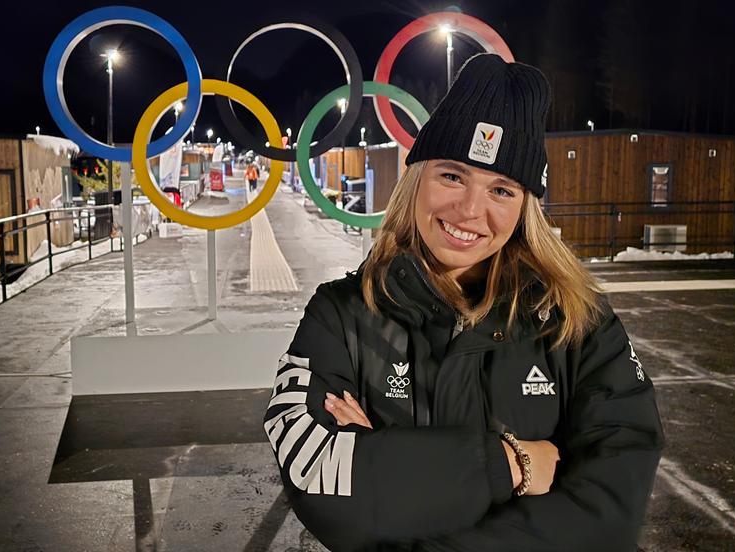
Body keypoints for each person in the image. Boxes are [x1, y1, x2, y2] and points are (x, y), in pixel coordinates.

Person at [264, 54, 664, 552]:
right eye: (452, 176)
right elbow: (321, 482)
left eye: (501, 188)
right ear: (415, 180)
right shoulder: (341, 314)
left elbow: (609, 516)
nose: (471, 210)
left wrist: (389, 464)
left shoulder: (578, 321)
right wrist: (512, 464)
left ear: (525, 208)